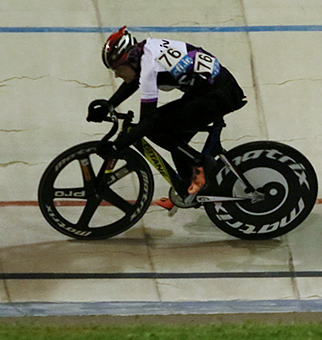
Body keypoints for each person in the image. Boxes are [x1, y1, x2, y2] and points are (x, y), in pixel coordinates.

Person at [88, 26, 247, 208]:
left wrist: (117, 146)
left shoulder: (149, 69)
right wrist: (110, 104)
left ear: (129, 60)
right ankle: (190, 186)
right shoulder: (146, 51)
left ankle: (201, 164)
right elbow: (133, 80)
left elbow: (147, 122)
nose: (116, 75)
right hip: (213, 89)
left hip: (217, 95)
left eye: (117, 69)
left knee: (155, 128)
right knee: (175, 140)